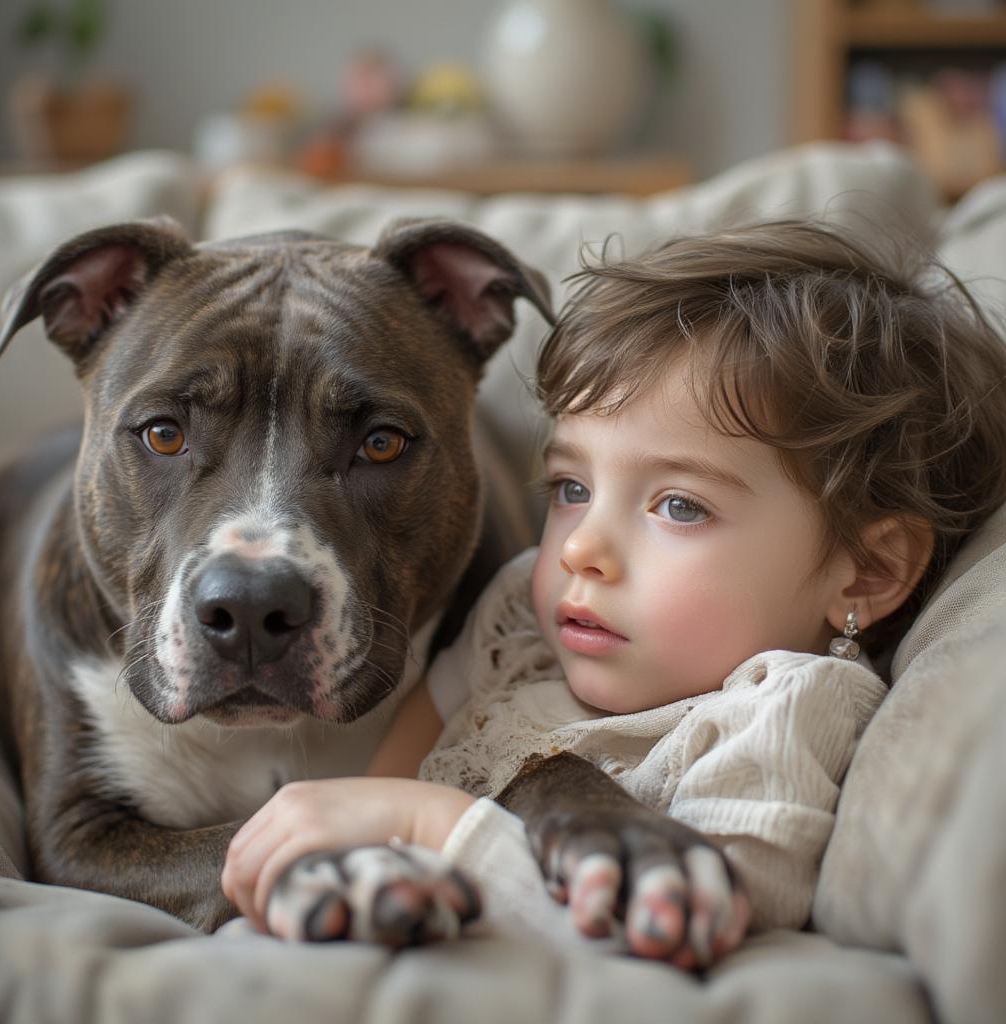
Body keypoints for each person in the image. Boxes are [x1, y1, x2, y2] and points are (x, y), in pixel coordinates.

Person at [221, 220, 1006, 967]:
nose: (583, 549)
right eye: (570, 486)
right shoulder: (513, 630)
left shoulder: (781, 713)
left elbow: (684, 929)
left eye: (679, 506)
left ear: (865, 573)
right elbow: (366, 804)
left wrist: (432, 823)